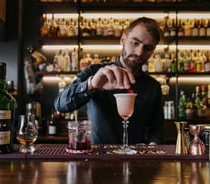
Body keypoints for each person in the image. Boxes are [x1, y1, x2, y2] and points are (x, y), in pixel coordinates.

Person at [54, 17, 164, 145]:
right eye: (135, 42)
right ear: (123, 40)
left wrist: (153, 147)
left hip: (136, 160)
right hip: (98, 158)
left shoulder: (153, 86)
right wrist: (92, 85)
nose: (140, 52)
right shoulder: (95, 72)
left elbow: (157, 129)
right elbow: (60, 105)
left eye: (148, 48)